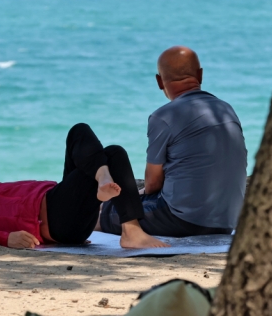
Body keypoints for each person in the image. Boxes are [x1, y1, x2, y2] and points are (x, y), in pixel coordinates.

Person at [0, 123, 169, 249]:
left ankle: (107, 187)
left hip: (58, 208)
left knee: (113, 152)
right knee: (80, 133)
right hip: (52, 218)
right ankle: (125, 221)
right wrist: (6, 239)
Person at [100, 46, 248, 237]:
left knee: (107, 211)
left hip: (184, 221)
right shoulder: (226, 109)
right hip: (227, 221)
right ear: (200, 75)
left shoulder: (163, 116)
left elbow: (152, 184)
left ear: (159, 81)